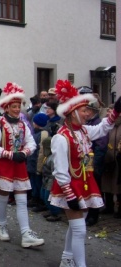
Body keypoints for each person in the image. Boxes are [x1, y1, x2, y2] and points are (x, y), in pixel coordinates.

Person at [49, 79, 121, 267]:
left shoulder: (83, 131)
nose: (88, 114)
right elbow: (60, 170)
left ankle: (67, 258)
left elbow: (102, 128)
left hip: (84, 182)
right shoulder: (61, 137)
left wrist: (116, 112)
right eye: (84, 111)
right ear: (72, 112)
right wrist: (69, 194)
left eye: (88, 111)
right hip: (70, 186)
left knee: (76, 226)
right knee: (80, 229)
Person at [0, 82, 44, 248]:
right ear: (6, 107)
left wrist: (25, 153)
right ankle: (2, 226)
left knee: (21, 199)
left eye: (19, 106)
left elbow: (31, 143)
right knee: (3, 198)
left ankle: (26, 233)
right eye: (13, 106)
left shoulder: (23, 125)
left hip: (19, 166)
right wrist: (11, 154)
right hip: (4, 166)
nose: (17, 109)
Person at [84, 99, 108, 226]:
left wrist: (93, 165)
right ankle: (88, 213)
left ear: (92, 111)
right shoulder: (88, 122)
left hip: (93, 163)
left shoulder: (96, 123)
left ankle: (94, 215)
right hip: (86, 161)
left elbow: (101, 146)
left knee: (94, 190)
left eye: (86, 110)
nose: (84, 113)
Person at [27, 113, 49, 212]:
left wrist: (39, 167)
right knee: (33, 182)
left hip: (37, 164)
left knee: (39, 183)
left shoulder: (43, 134)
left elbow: (41, 153)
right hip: (32, 162)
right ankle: (34, 198)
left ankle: (40, 201)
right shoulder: (35, 133)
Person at [40, 137, 62, 222]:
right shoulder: (48, 156)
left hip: (51, 179)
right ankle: (50, 210)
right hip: (46, 178)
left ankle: (55, 213)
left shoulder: (53, 158)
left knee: (49, 196)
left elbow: (54, 171)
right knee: (43, 195)